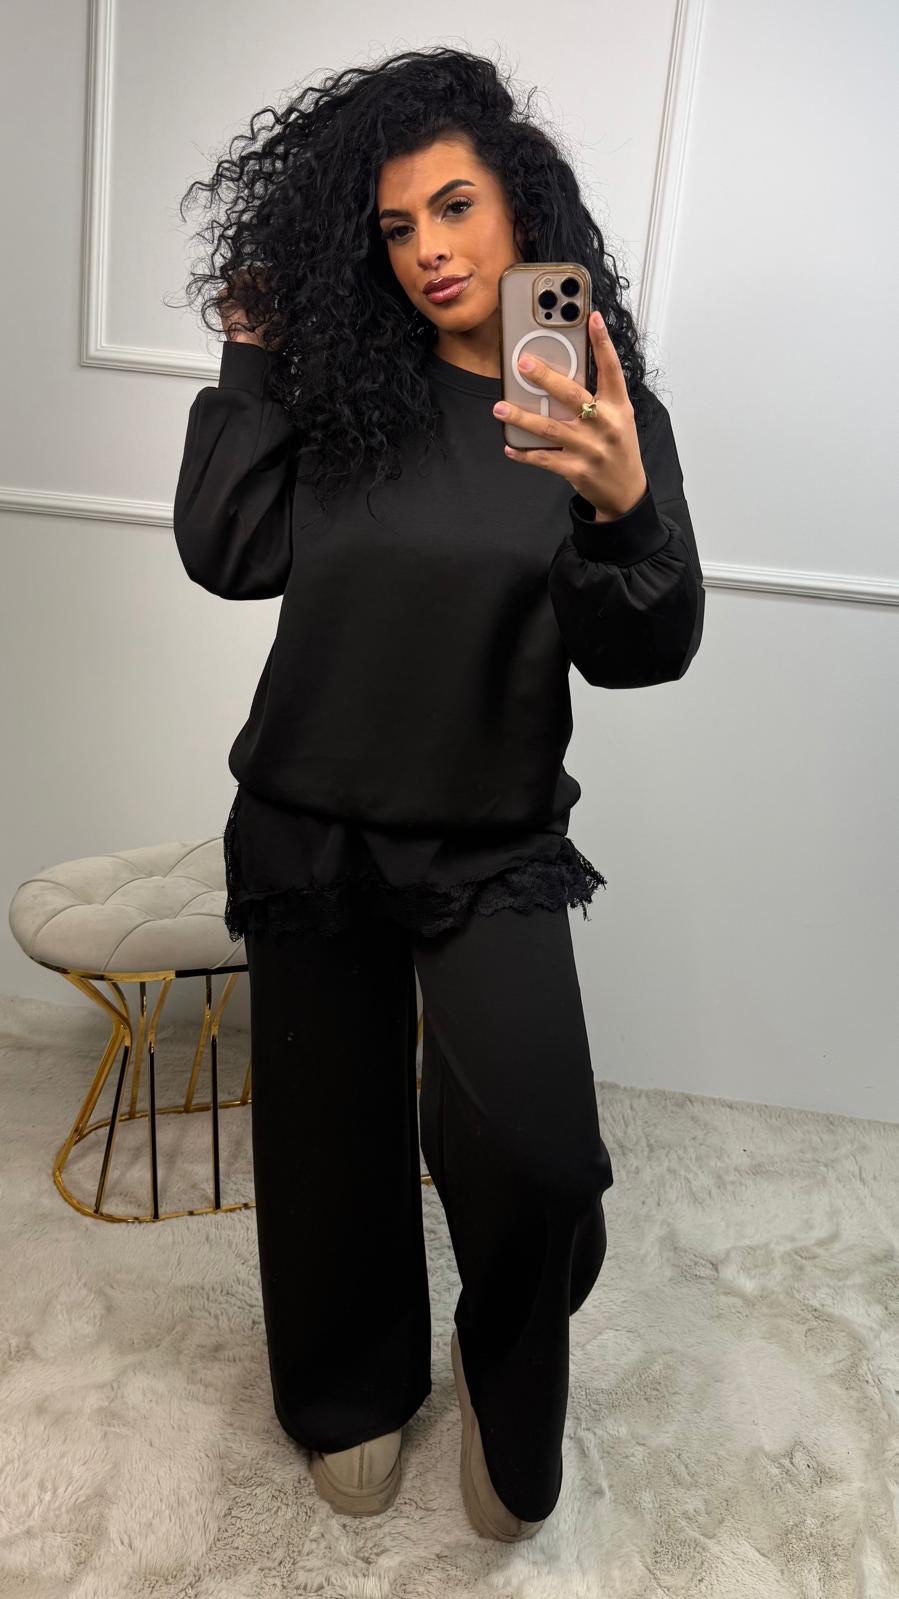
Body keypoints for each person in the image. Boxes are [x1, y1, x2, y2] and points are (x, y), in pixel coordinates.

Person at [172, 45, 704, 1539]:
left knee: (542, 1156)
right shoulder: (351, 393)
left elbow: (644, 650)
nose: (430, 251)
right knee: (326, 1139)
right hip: (311, 820)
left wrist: (623, 506)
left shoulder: (596, 408)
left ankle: (504, 1361)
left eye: (455, 207)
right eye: (397, 226)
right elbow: (230, 550)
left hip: (489, 837)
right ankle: (349, 1386)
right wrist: (254, 357)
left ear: (519, 202)